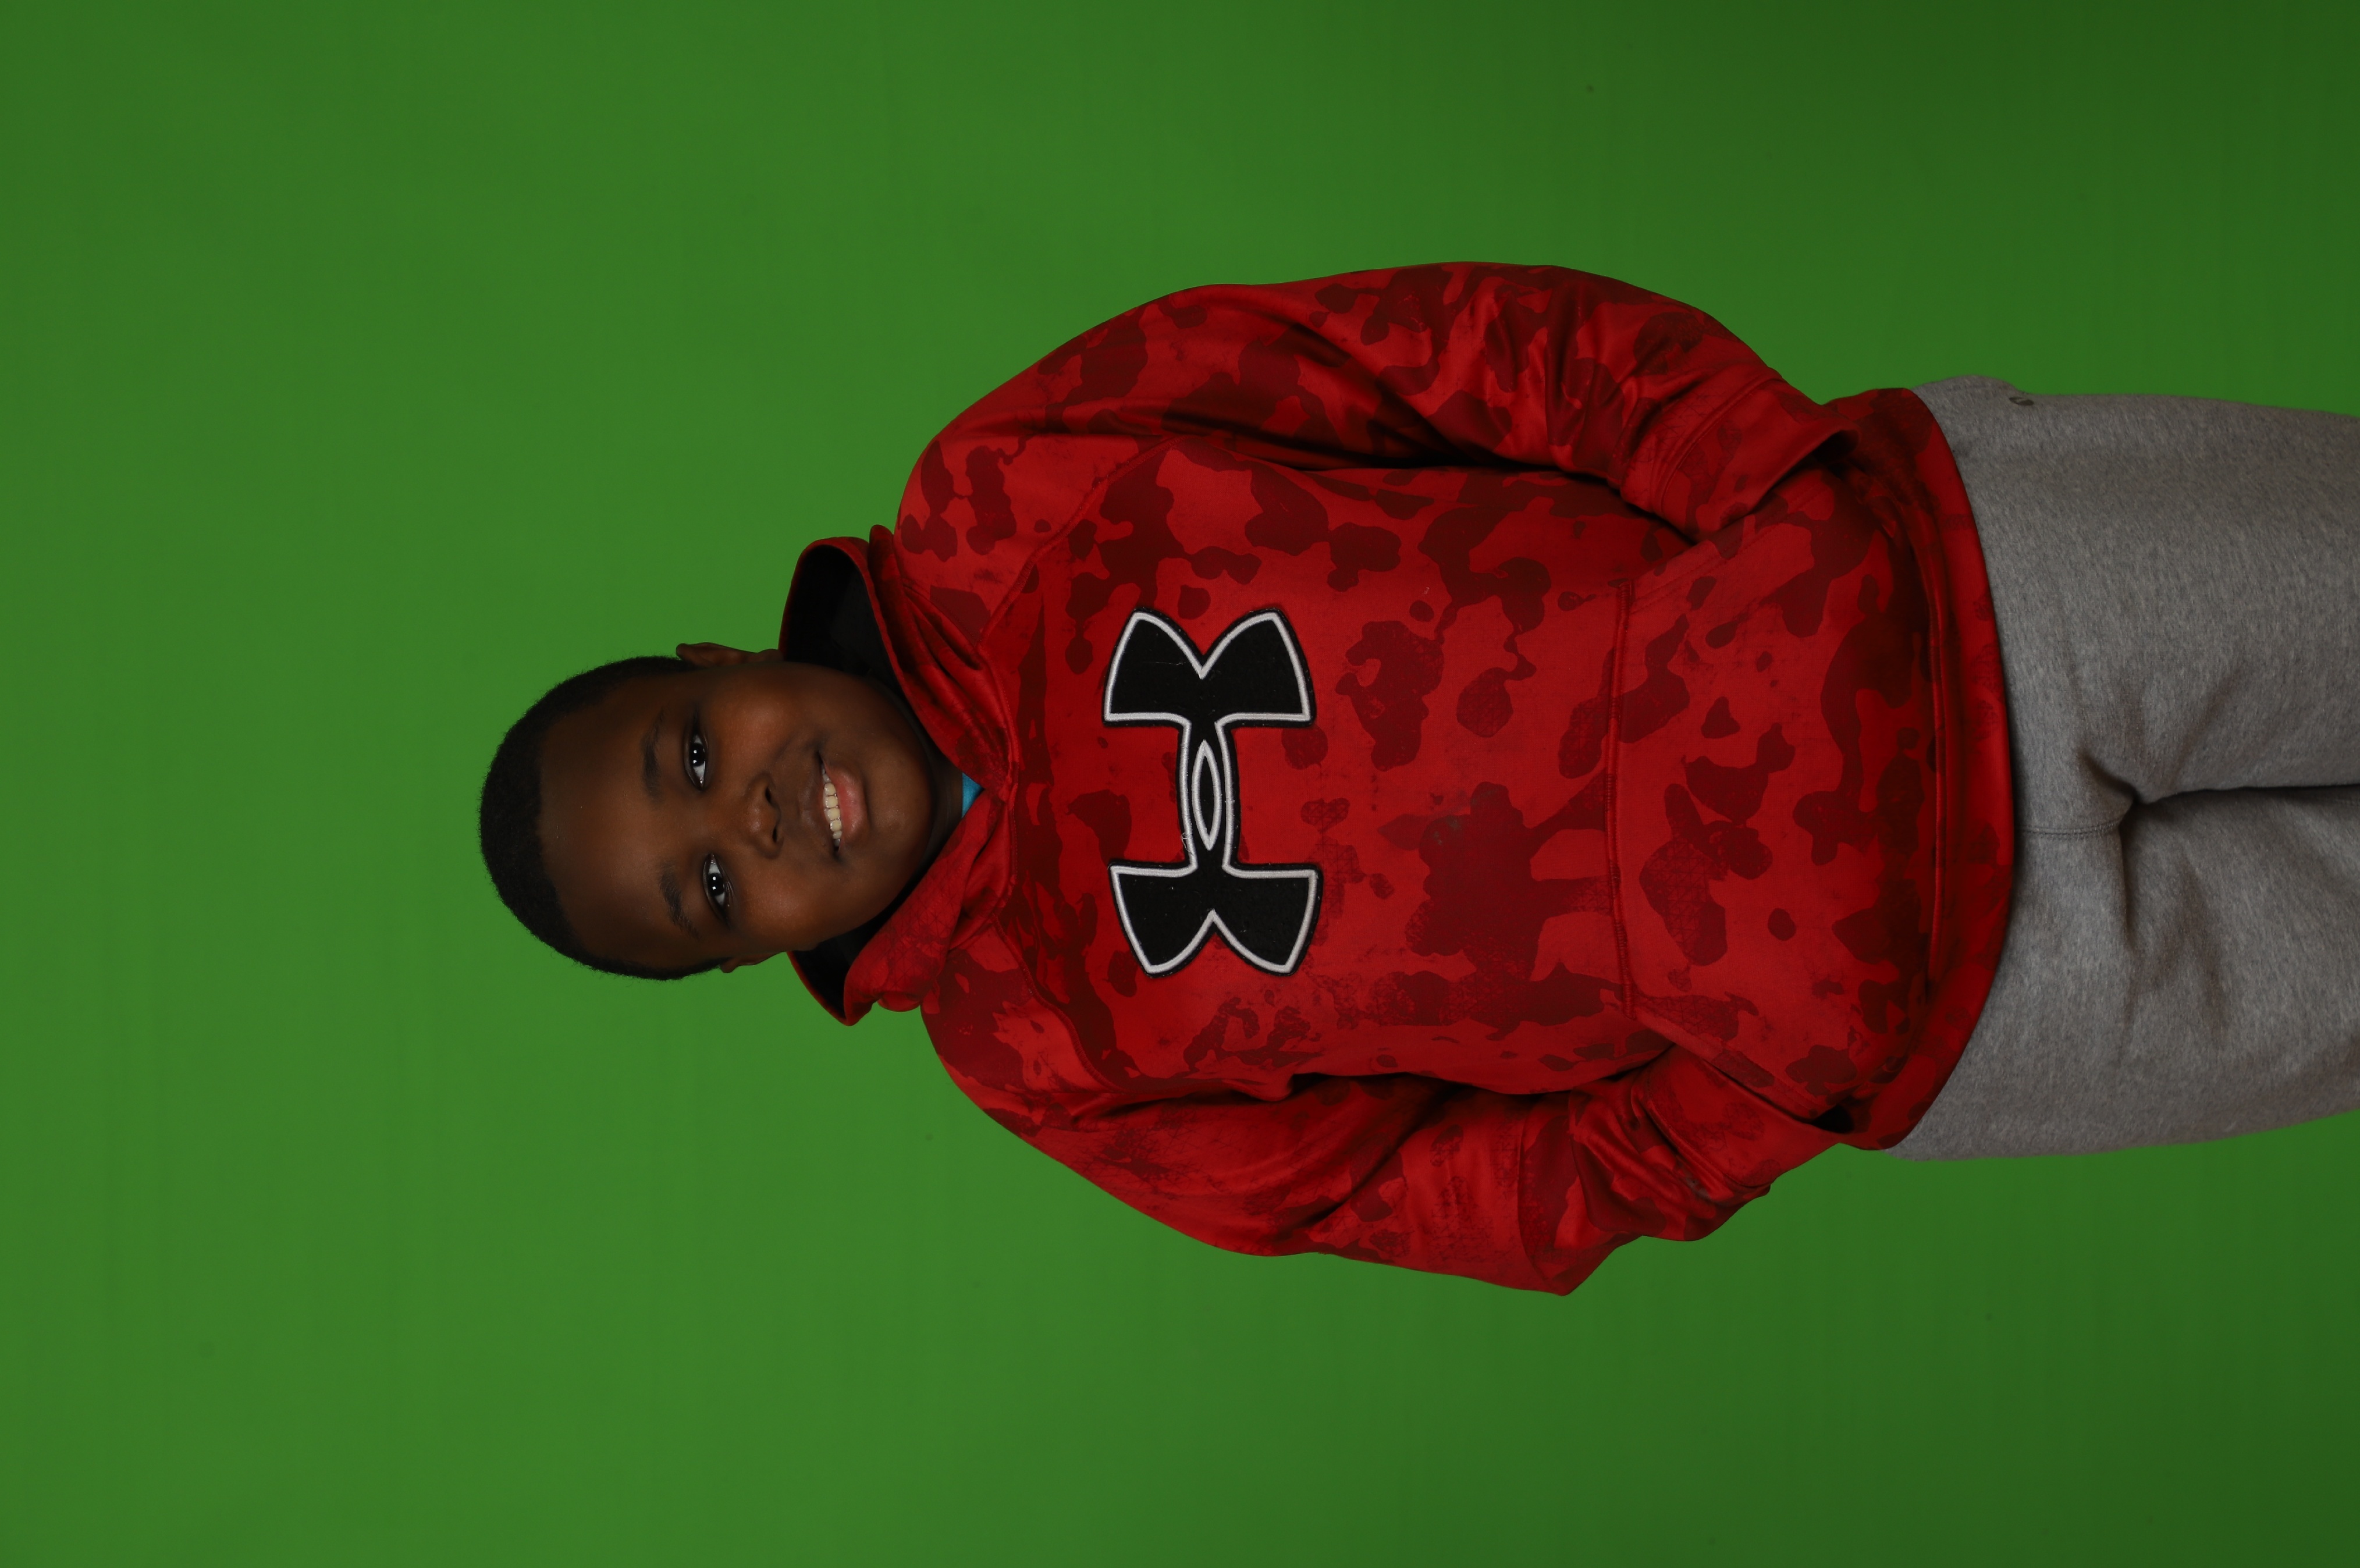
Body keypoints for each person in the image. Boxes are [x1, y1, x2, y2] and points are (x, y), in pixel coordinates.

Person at [478, 264, 2360, 1293]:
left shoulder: (1001, 498)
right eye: (709, 889)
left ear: (716, 664)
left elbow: (1410, 360)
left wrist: (1764, 489)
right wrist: (1759, 1087)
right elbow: (1429, 1189)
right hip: (1975, 1010)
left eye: (690, 758)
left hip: (1966, 592)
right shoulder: (1037, 1052)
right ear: (753, 959)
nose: (747, 819)